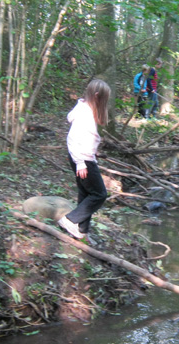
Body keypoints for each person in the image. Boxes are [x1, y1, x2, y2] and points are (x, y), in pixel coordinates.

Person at [58, 79, 110, 241]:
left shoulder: (84, 110)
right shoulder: (84, 114)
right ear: (96, 96)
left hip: (83, 158)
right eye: (104, 99)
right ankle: (69, 220)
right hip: (82, 159)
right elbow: (73, 139)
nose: (104, 103)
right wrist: (81, 162)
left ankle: (81, 230)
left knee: (86, 193)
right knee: (99, 194)